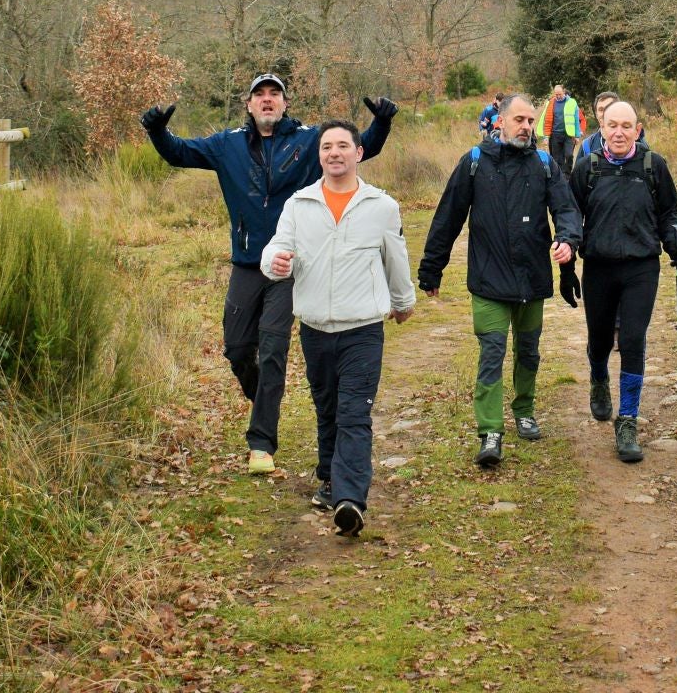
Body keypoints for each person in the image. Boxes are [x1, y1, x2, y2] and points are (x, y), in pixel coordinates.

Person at [140, 74, 399, 474]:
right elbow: (179, 153)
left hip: (289, 262)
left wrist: (381, 122)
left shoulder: (308, 142)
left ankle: (261, 444)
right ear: (248, 104)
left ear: (284, 103)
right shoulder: (226, 145)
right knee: (238, 349)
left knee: (273, 346)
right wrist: (158, 130)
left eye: (273, 94)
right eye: (259, 95)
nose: (266, 100)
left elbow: (355, 149)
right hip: (247, 262)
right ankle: (265, 396)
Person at [263, 120, 414, 537]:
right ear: (320, 155)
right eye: (327, 146)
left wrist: (402, 302)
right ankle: (329, 478)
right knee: (327, 408)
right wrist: (274, 262)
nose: (334, 153)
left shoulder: (381, 206)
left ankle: (350, 498)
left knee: (354, 413)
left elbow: (395, 259)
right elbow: (277, 246)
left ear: (358, 153)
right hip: (313, 326)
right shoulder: (299, 204)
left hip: (363, 328)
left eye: (343, 146)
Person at [418, 92, 582, 469]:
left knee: (529, 351)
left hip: (531, 279)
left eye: (530, 121)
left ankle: (524, 408)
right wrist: (431, 268)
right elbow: (448, 218)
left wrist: (567, 240)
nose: (526, 127)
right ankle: (490, 430)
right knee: (492, 352)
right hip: (489, 279)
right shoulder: (475, 162)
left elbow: (566, 209)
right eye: (519, 120)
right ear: (500, 122)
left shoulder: (544, 164)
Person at [568, 101, 677, 463]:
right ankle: (599, 377)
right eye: (612, 125)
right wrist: (567, 249)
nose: (619, 132)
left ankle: (628, 421)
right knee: (600, 338)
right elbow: (571, 214)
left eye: (626, 126)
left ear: (638, 130)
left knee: (633, 340)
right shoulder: (587, 169)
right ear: (601, 129)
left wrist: (675, 239)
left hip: (641, 267)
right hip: (600, 267)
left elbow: (669, 211)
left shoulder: (654, 167)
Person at [536, 83, 582, 176]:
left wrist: (577, 135)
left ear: (564, 92)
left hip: (568, 135)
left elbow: (576, 120)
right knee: (557, 158)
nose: (558, 96)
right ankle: (560, 176)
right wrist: (546, 137)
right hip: (555, 135)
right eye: (556, 94)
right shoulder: (551, 103)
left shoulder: (572, 102)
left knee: (569, 155)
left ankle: (568, 174)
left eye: (559, 94)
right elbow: (547, 120)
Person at [577, 91, 621, 161]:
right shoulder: (587, 146)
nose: (605, 113)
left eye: (609, 107)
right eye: (601, 110)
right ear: (596, 115)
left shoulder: (635, 142)